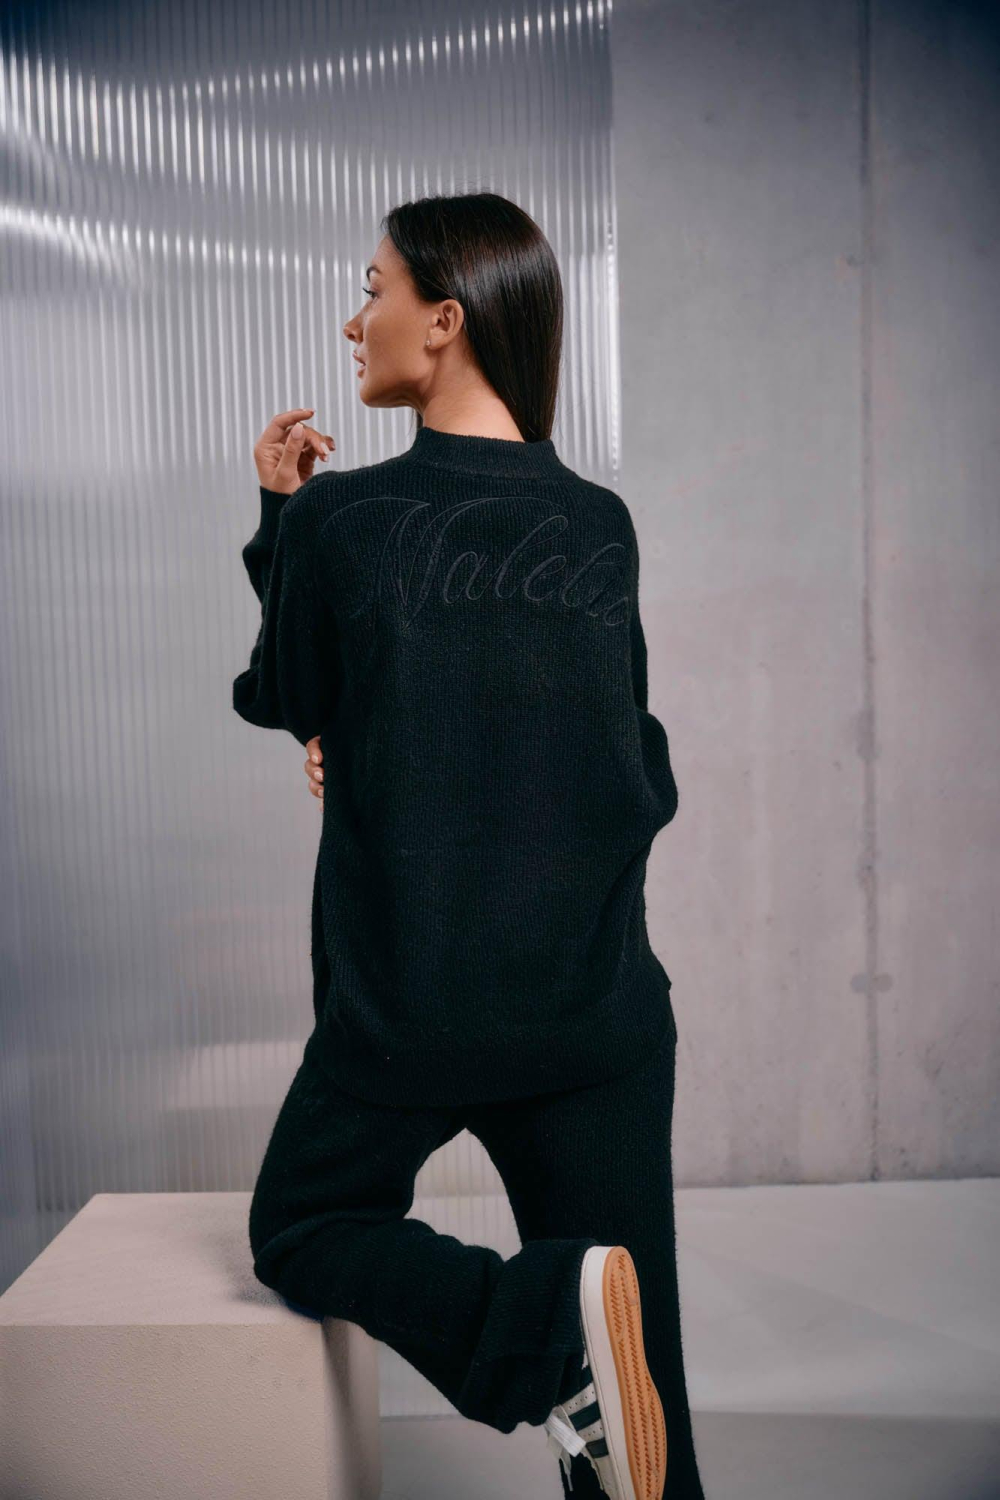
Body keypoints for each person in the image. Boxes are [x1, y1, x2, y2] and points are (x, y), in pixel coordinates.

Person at [233, 191, 707, 1500]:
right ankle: (573, 1334)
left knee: (305, 1224)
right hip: (598, 1012)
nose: (356, 320)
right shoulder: (599, 521)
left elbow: (289, 695)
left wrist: (281, 518)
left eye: (373, 289)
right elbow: (627, 757)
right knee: (641, 1422)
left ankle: (535, 1322)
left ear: (443, 319)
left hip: (412, 1015)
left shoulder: (342, 518)